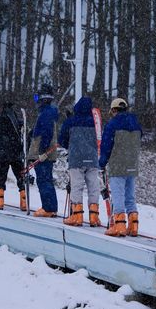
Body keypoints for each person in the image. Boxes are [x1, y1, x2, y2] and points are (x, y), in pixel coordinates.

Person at [98, 97, 142, 237]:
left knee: (118, 195)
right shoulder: (136, 123)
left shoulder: (112, 124)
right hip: (132, 164)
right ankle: (133, 225)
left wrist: (102, 163)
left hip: (117, 165)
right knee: (130, 196)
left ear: (114, 110)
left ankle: (119, 225)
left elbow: (106, 146)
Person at [58, 96, 101, 227]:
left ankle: (77, 216)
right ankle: (94, 217)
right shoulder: (95, 122)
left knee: (77, 186)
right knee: (93, 187)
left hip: (76, 158)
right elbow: (100, 139)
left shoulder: (70, 121)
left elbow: (62, 140)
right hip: (92, 159)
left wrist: (69, 146)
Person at [0, 99, 26, 211]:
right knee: (20, 177)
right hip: (16, 153)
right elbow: (21, 138)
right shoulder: (17, 122)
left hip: (3, 154)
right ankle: (24, 202)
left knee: (1, 177)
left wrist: (1, 141)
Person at [28, 85, 59, 217]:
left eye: (37, 97)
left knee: (44, 180)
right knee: (46, 179)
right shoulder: (48, 112)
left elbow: (46, 133)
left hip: (44, 154)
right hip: (45, 153)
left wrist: (42, 151)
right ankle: (50, 207)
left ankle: (48, 208)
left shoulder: (46, 113)